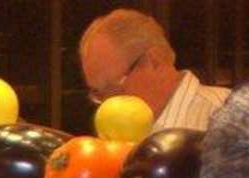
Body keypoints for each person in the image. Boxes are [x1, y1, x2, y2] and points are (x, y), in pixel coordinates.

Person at [78, 9, 227, 131]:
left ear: (154, 60)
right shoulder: (114, 137)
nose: (106, 105)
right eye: (98, 94)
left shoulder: (228, 118)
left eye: (114, 88)